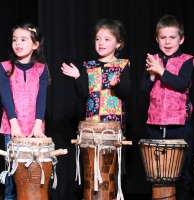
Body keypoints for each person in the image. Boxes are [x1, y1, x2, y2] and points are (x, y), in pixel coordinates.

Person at [61, 19, 130, 199]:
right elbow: (83, 93)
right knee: (92, 171)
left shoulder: (122, 65)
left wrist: (116, 85)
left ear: (118, 43)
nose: (101, 43)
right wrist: (77, 77)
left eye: (107, 39)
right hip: (92, 127)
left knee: (110, 172)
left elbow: (125, 92)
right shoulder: (89, 66)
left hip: (112, 128)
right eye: (98, 39)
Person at [141, 15, 194, 200]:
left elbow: (182, 83)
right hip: (155, 124)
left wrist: (161, 71)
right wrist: (152, 74)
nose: (167, 41)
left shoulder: (187, 60)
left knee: (182, 175)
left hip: (180, 124)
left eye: (172, 37)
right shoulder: (153, 59)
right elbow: (144, 87)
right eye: (163, 37)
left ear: (181, 39)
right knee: (157, 174)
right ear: (157, 39)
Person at [0, 23, 50, 200]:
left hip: (35, 128)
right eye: (15, 40)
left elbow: (41, 99)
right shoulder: (5, 67)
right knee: (13, 174)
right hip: (13, 128)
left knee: (33, 174)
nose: (17, 43)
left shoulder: (41, 69)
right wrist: (14, 125)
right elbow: (6, 98)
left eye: (23, 39)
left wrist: (37, 126)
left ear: (35, 45)